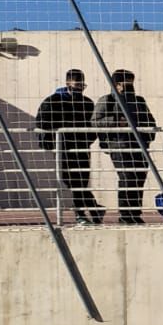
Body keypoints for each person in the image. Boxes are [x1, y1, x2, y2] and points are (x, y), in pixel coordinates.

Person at [36, 69, 102, 225]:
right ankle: (92, 208)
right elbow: (42, 123)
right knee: (70, 180)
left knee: (80, 181)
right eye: (76, 85)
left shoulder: (86, 102)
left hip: (81, 147)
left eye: (82, 85)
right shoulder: (53, 101)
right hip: (63, 147)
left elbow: (92, 125)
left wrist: (87, 140)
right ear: (67, 83)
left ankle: (81, 214)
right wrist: (49, 142)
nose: (79, 89)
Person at [92, 68, 157, 225]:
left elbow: (150, 121)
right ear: (116, 84)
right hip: (119, 145)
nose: (129, 86)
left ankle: (135, 213)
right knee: (127, 178)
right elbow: (95, 121)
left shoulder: (138, 101)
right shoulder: (107, 100)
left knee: (139, 178)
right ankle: (125, 215)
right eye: (125, 83)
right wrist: (116, 121)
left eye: (131, 82)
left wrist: (147, 135)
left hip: (139, 145)